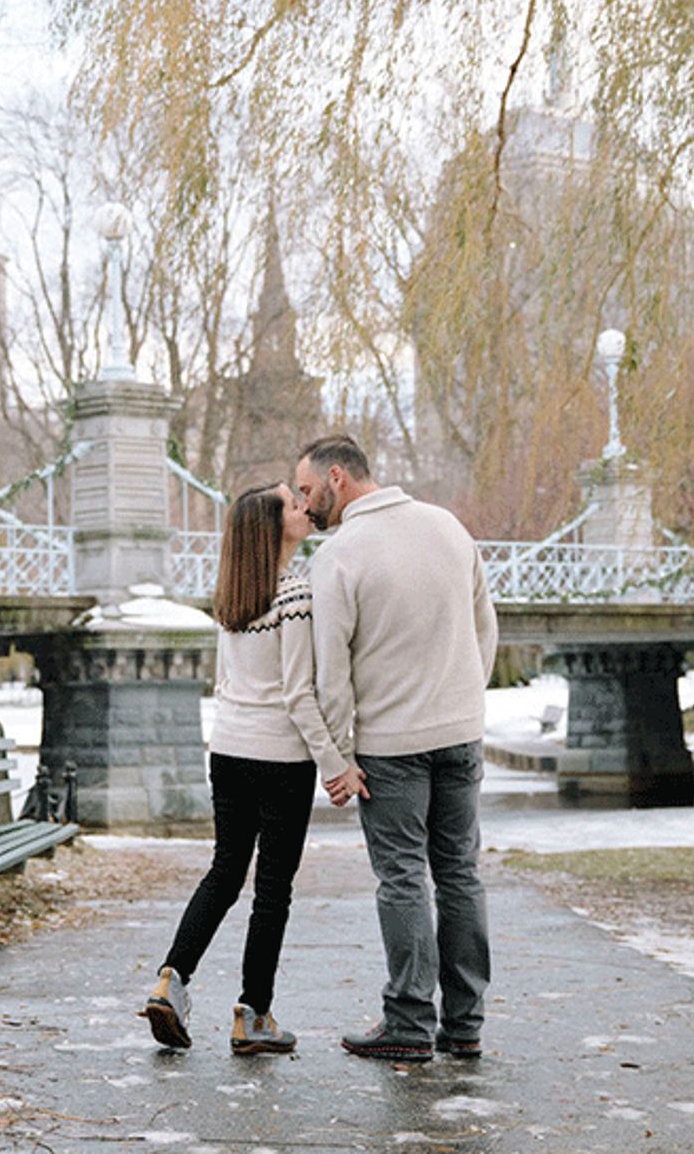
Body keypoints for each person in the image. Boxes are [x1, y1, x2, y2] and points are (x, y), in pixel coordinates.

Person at [294, 434, 498, 1064]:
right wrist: (464, 703)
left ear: (337, 477)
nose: (305, 505)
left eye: (307, 490)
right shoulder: (448, 527)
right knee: (459, 873)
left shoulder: (339, 555)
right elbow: (485, 629)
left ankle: (408, 1022)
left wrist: (338, 757)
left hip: (390, 747)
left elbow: (332, 673)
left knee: (403, 877)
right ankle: (464, 1024)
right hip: (460, 735)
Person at [139, 482, 350, 1056]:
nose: (303, 507)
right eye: (292, 504)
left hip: (229, 750)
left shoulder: (232, 596)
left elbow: (225, 683)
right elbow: (299, 694)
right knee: (272, 891)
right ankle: (253, 1015)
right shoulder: (295, 593)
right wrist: (336, 765)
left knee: (225, 871)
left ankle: (170, 980)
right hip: (281, 757)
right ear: (272, 528)